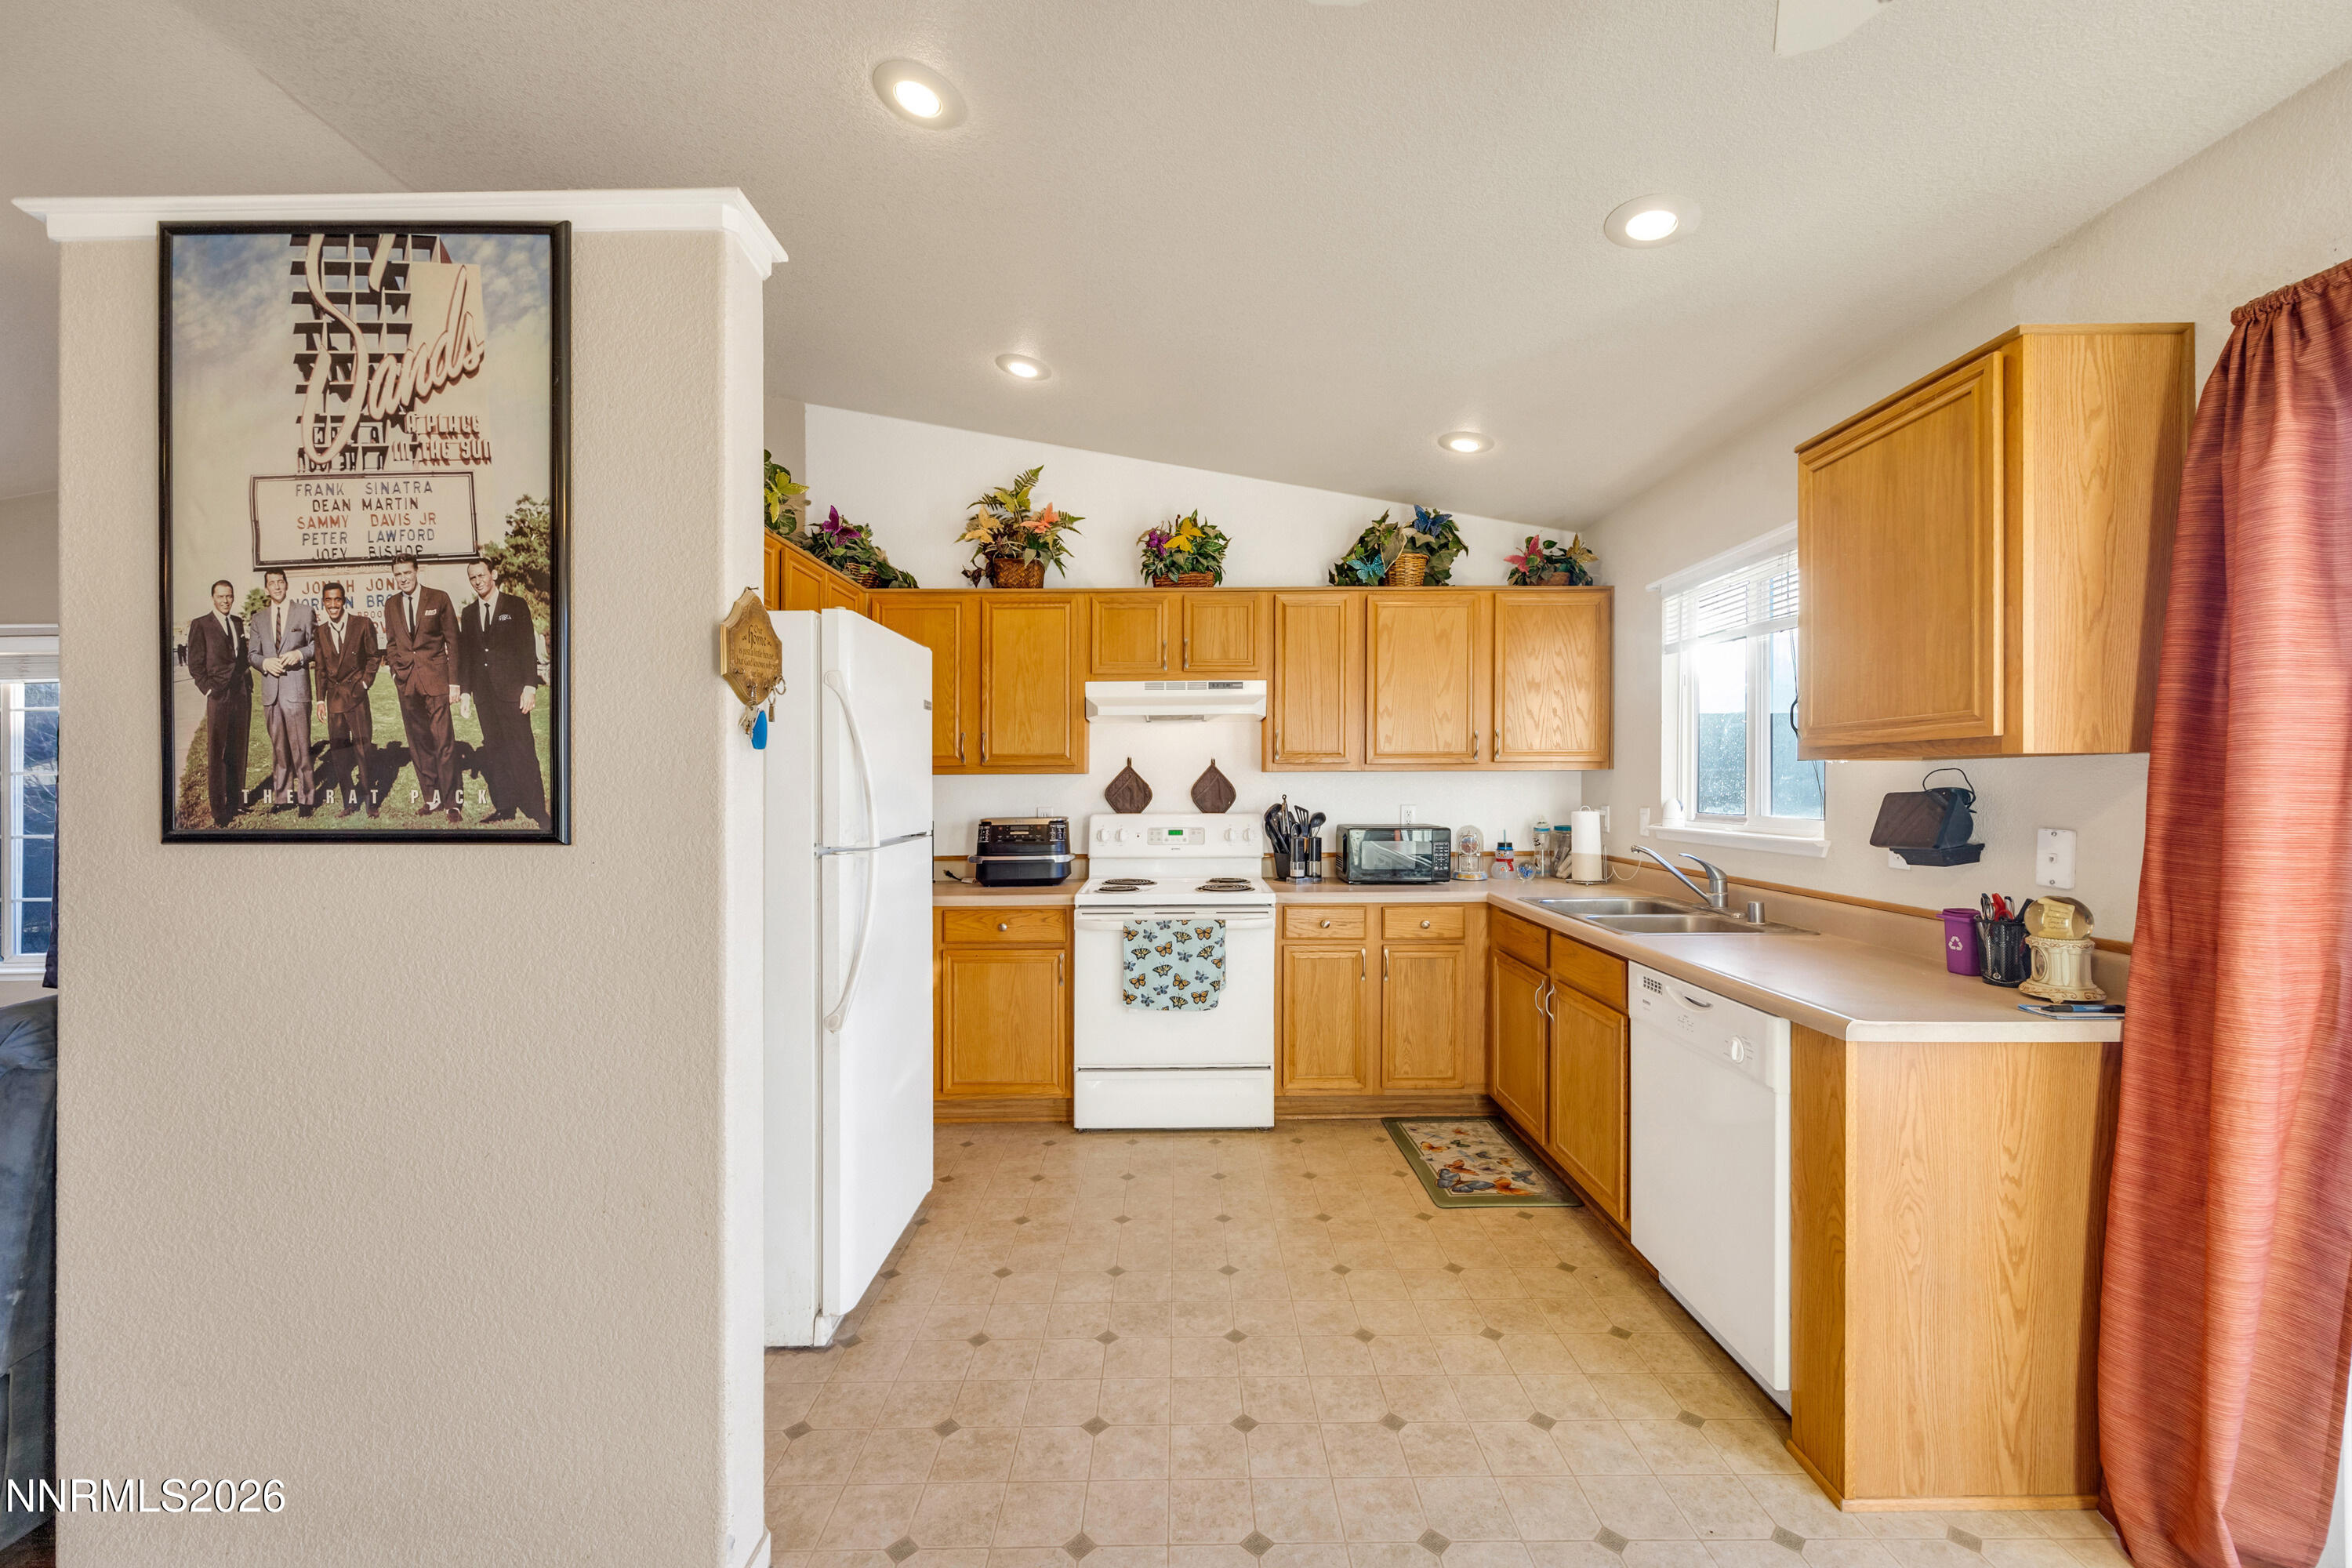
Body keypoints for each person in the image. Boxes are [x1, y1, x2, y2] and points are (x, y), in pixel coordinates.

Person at [456, 560, 550, 829]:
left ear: (493, 575)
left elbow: (526, 648)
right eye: (472, 578)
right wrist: (465, 693)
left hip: (513, 693)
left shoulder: (515, 605)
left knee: (523, 750)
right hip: (485, 697)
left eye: (482, 575)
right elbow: (468, 657)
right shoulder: (469, 612)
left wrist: (530, 687)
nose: (478, 581)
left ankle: (536, 810)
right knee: (495, 752)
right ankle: (505, 807)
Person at [379, 553, 459, 822]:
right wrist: (395, 673)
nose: (403, 578)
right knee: (418, 743)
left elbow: (453, 642)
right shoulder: (391, 604)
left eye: (407, 573)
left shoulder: (438, 598)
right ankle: (431, 797)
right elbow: (391, 644)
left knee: (443, 741)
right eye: (398, 574)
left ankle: (451, 802)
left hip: (436, 681)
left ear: (417, 571)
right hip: (407, 683)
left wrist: (454, 681)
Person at [247, 567, 316, 815]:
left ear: (286, 584)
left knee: (301, 746)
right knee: (279, 748)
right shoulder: (258, 619)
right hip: (271, 692)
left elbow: (317, 645)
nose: (276, 586)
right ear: (266, 588)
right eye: (272, 583)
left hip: (296, 690)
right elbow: (252, 654)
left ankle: (307, 799)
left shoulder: (304, 612)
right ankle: (283, 797)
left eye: (280, 581)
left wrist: (299, 654)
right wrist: (264, 663)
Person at [312, 582, 382, 818]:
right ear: (323, 602)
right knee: (340, 754)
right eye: (328, 600)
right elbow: (320, 668)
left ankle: (370, 801)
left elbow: (374, 657)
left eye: (337, 600)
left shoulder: (362, 624)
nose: (333, 605)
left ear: (344, 600)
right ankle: (350, 802)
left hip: (357, 697)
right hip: (334, 701)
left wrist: (364, 683)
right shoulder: (320, 631)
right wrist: (320, 700)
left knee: (363, 750)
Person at [184, 579, 250, 829]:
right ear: (213, 597)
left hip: (240, 695)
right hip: (218, 696)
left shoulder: (237, 623)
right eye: (221, 597)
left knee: (237, 750)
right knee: (217, 753)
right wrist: (208, 688)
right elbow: (195, 663)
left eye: (229, 596)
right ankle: (219, 810)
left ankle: (235, 802)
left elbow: (240, 657)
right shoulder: (201, 624)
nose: (225, 601)